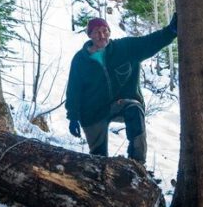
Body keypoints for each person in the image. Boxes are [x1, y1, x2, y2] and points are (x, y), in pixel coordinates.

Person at [64, 14, 178, 165]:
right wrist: (73, 117)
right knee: (99, 158)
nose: (101, 35)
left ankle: (137, 164)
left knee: (134, 110)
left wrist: (171, 31)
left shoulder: (125, 48)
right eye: (97, 31)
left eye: (105, 30)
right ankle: (102, 178)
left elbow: (150, 42)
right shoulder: (80, 60)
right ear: (89, 35)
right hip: (92, 110)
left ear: (109, 32)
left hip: (120, 102)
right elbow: (74, 90)